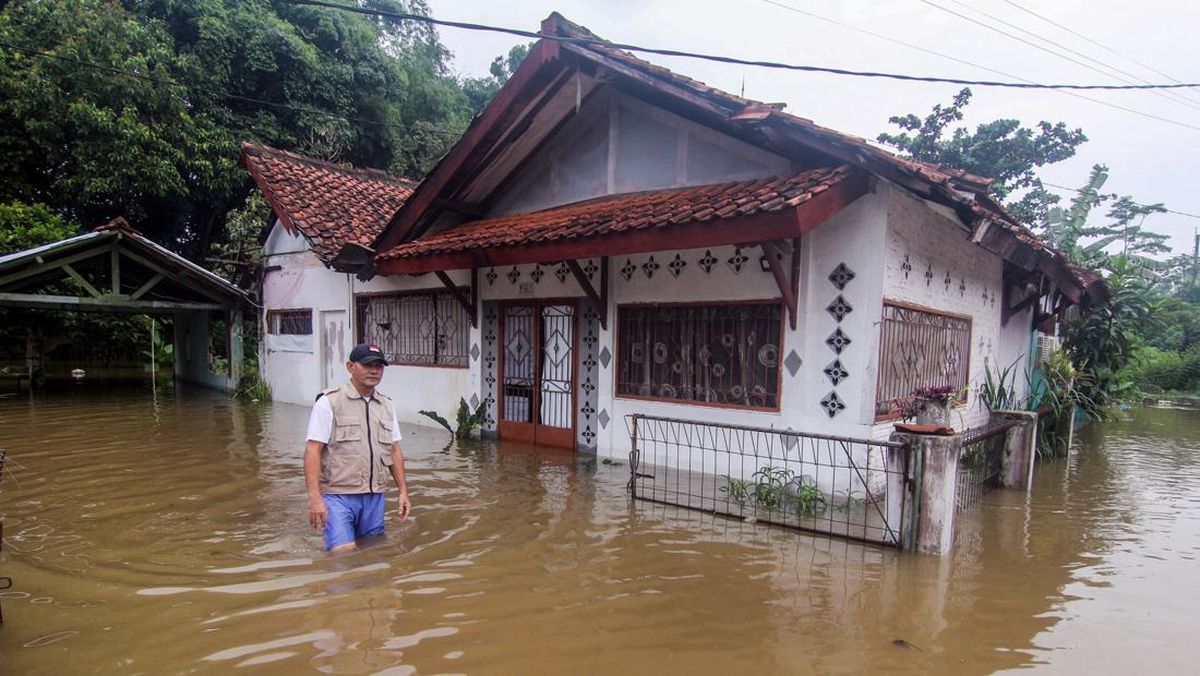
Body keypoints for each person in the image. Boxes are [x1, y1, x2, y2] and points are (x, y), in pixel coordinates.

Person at [304, 343, 411, 552]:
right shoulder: (329, 402)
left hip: (374, 496)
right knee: (343, 553)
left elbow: (394, 449)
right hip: (337, 496)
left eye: (379, 366)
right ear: (350, 367)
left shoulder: (387, 405)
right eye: (367, 365)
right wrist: (315, 498)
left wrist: (403, 492)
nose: (374, 371)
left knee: (373, 552)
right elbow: (312, 450)